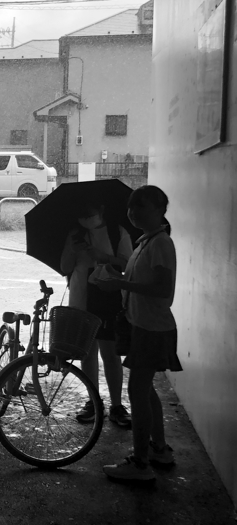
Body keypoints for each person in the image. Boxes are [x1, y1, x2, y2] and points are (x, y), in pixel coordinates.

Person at [98, 185, 182, 483]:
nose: (134, 213)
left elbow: (162, 289)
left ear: (160, 210)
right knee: (146, 390)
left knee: (137, 391)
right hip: (143, 325)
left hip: (152, 328)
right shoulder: (145, 242)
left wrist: (121, 285)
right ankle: (158, 449)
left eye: (142, 207)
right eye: (132, 207)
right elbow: (140, 281)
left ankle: (141, 464)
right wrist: (117, 279)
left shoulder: (160, 244)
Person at [60, 202, 134, 428]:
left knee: (110, 354)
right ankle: (93, 401)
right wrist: (74, 250)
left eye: (89, 215)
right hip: (81, 297)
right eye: (81, 216)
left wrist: (104, 257)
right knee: (87, 352)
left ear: (101, 210)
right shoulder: (76, 234)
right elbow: (64, 267)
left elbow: (129, 266)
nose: (86, 220)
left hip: (108, 297)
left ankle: (116, 405)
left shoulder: (117, 232)